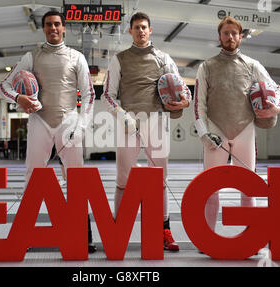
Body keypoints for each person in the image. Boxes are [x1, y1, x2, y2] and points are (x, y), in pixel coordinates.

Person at [0, 10, 96, 252]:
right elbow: (4, 85)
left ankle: (84, 235)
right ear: (43, 28)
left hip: (69, 120)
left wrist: (81, 125)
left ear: (63, 28)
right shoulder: (31, 56)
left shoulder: (77, 57)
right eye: (48, 25)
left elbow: (88, 94)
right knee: (32, 176)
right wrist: (19, 97)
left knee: (76, 178)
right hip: (39, 121)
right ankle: (25, 233)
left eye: (57, 24)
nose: (53, 28)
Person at [102, 12, 192, 251]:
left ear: (150, 30)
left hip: (156, 121)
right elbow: (107, 95)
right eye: (136, 27)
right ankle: (116, 231)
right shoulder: (119, 59)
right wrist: (123, 116)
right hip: (128, 124)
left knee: (160, 180)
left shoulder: (164, 58)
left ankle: (164, 231)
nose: (141, 31)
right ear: (130, 31)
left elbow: (185, 92)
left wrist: (182, 103)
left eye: (144, 27)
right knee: (123, 180)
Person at [194, 16, 280, 232]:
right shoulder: (206, 66)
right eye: (226, 33)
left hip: (245, 130)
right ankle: (207, 236)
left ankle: (250, 234)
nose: (230, 37)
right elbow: (199, 104)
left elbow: (277, 89)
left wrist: (276, 108)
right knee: (210, 188)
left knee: (249, 187)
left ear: (241, 37)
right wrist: (204, 133)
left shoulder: (253, 65)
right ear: (220, 37)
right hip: (216, 132)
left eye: (234, 33)